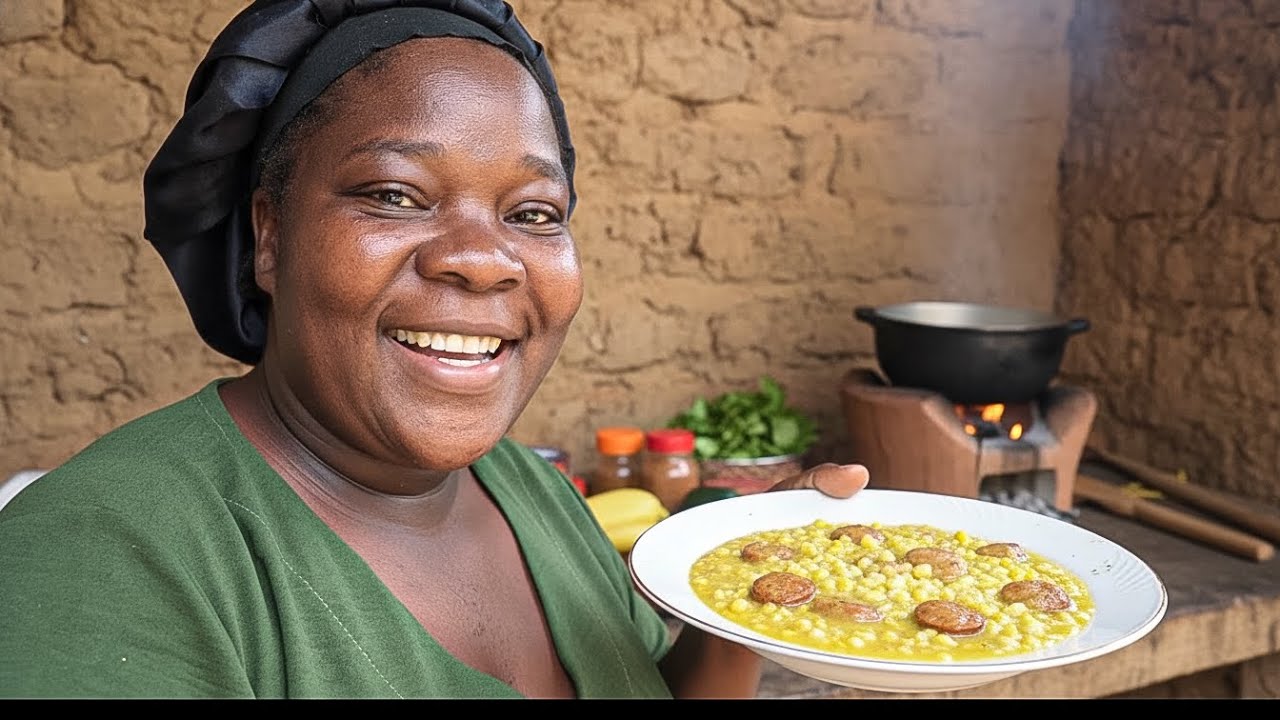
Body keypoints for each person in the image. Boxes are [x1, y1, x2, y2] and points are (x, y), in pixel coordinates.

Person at [0, 0, 869, 699]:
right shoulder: (104, 559)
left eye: (533, 214)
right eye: (395, 194)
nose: (485, 260)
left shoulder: (528, 490)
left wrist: (742, 599)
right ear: (270, 235)